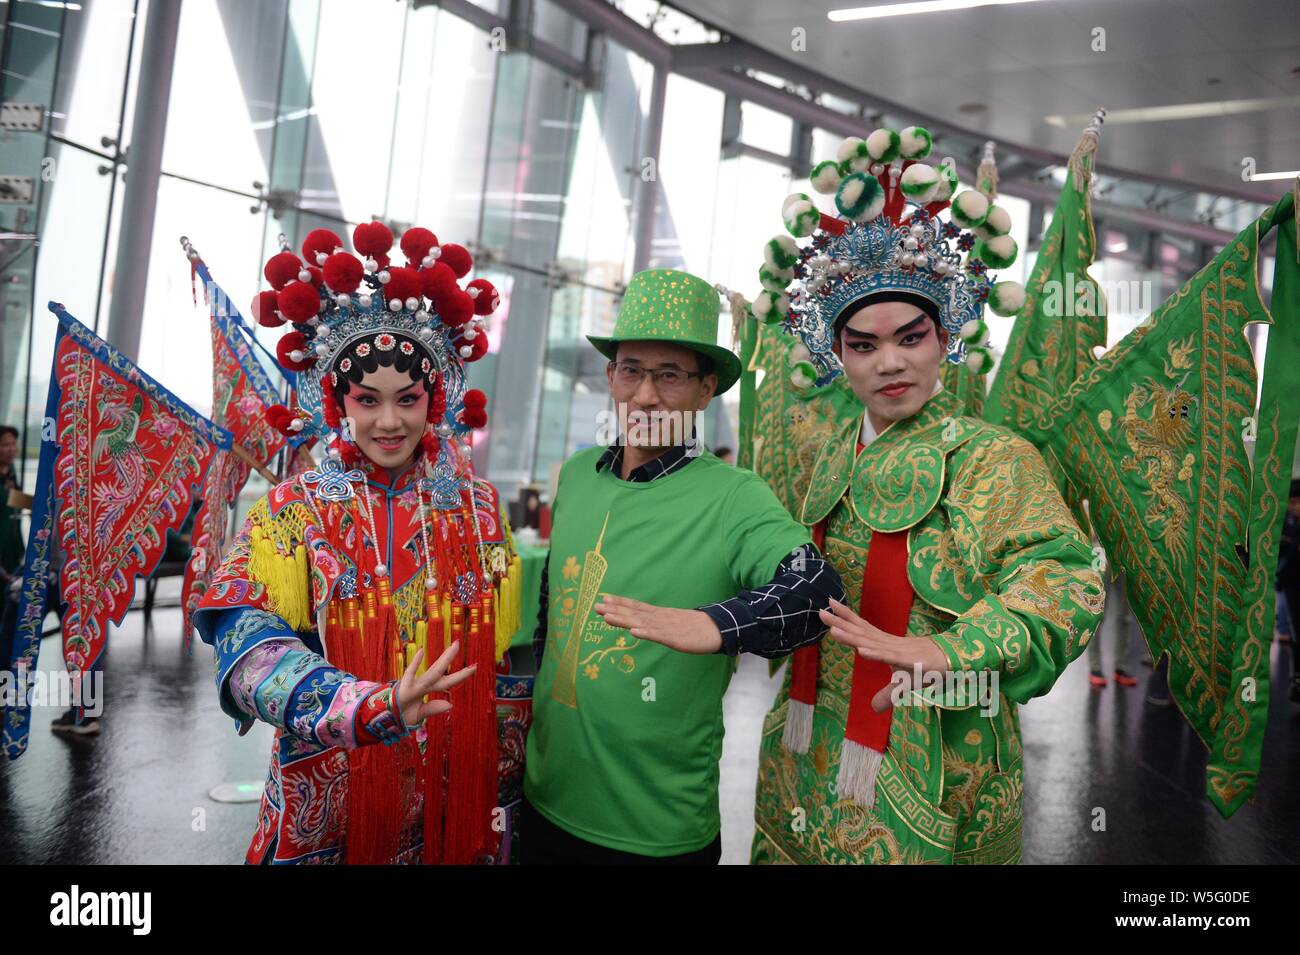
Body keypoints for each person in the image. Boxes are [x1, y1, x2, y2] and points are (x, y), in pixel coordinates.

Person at [743, 127, 1105, 864]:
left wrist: (948, 648)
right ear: (835, 355)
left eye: (911, 337)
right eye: (864, 345)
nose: (891, 363)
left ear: (944, 339)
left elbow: (1067, 583)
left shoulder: (991, 458)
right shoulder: (828, 457)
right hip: (810, 741)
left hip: (940, 749)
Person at [194, 223, 524, 864]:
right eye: (367, 400)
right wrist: (370, 706)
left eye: (408, 398)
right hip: (334, 793)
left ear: (437, 399)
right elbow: (245, 652)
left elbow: (498, 655)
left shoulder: (479, 507)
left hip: (456, 802)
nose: (390, 421)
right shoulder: (296, 509)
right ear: (338, 402)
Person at [523, 268, 844, 864]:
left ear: (707, 388)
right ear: (610, 375)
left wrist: (718, 624)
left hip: (657, 829)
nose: (645, 396)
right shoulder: (575, 473)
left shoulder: (733, 497)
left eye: (670, 375)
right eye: (632, 370)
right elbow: (550, 624)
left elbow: (817, 590)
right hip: (544, 800)